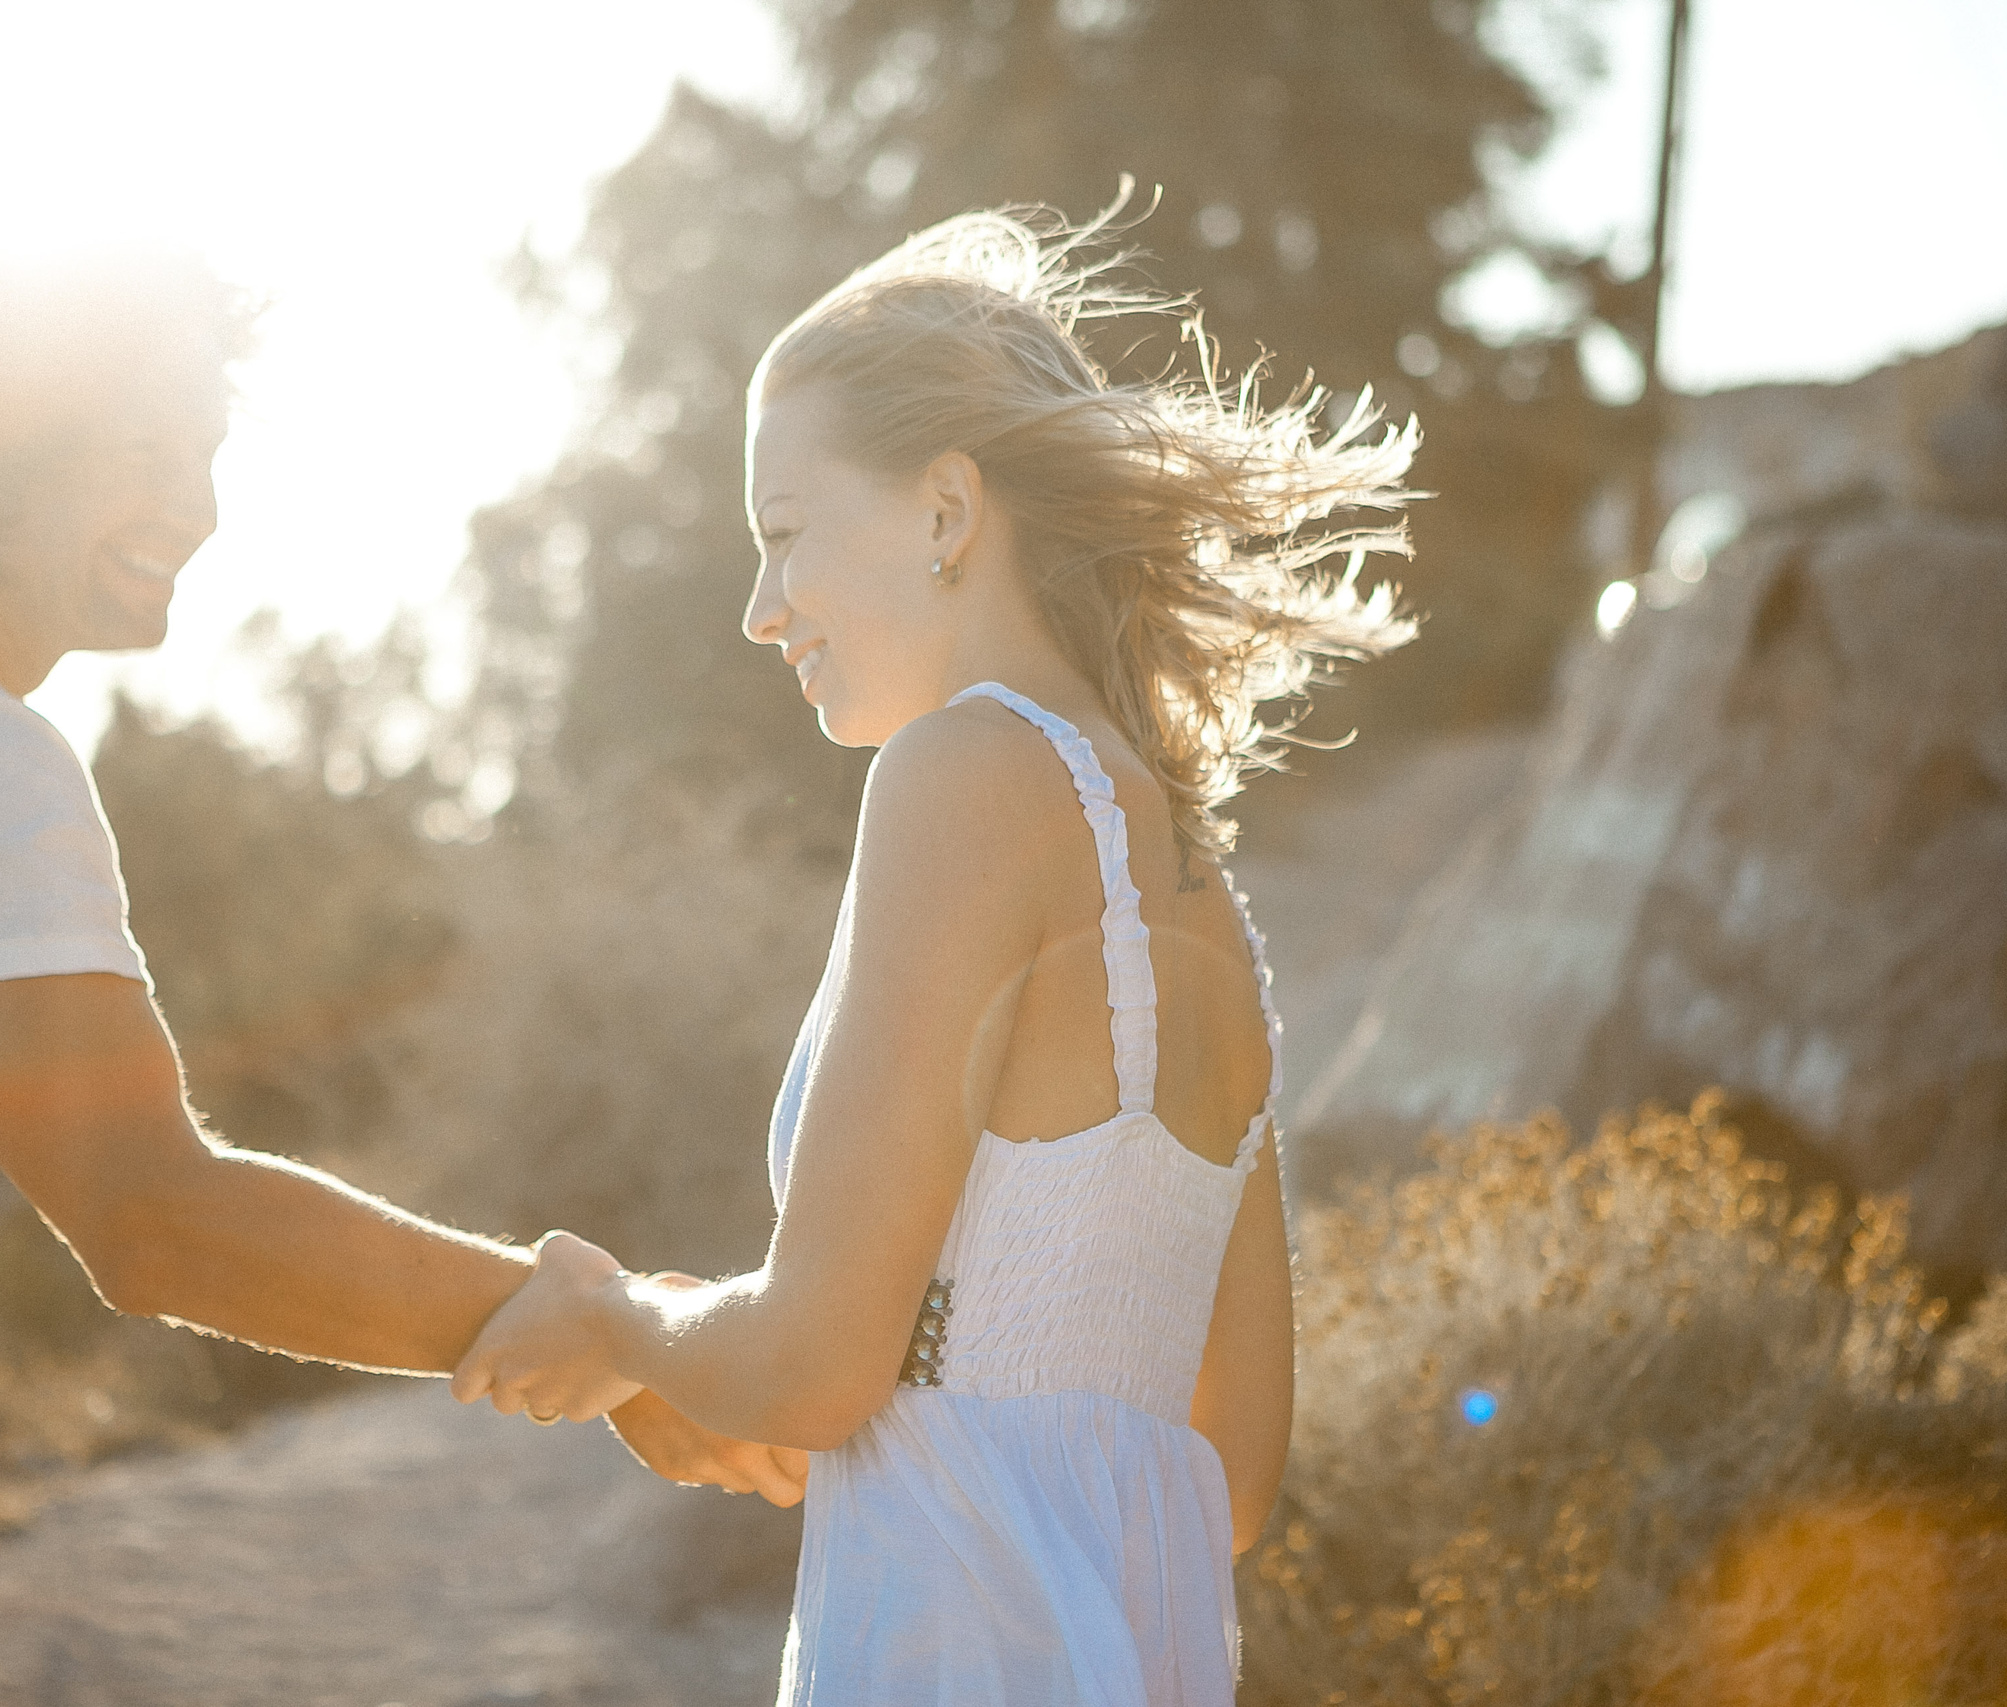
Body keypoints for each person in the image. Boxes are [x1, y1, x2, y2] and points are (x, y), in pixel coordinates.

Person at [0, 243, 800, 1707]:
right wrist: (606, 1327)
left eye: (205, 452)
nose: (192, 504)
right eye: (141, 450)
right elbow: (152, 1215)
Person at [456, 209, 1418, 1703]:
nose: (760, 609)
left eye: (782, 534)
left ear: (946, 511)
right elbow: (1229, 1474)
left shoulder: (959, 775)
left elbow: (812, 1366)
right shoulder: (1191, 876)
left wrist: (621, 1320)